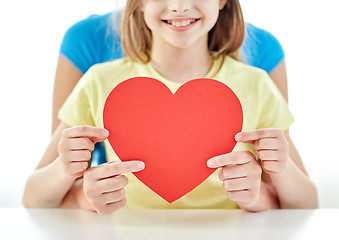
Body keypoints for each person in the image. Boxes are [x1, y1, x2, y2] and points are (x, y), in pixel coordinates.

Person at [23, 0, 318, 214]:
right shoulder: (99, 81)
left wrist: (275, 178)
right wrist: (65, 173)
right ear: (137, 3)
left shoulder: (256, 85)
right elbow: (33, 197)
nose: (179, 6)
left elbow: (308, 202)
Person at [52, 11, 288, 165]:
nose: (179, 7)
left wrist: (259, 199)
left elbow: (279, 173)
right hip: (123, 213)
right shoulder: (96, 66)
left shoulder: (258, 69)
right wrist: (86, 197)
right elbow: (63, 164)